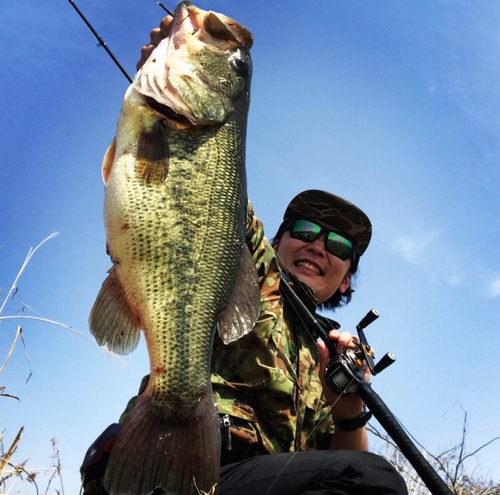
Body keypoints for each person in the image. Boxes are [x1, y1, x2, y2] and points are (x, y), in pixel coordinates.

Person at [80, 17, 407, 495]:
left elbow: (347, 468)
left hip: (276, 484)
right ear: (275, 243)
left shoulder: (325, 357)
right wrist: (178, 66)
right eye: (306, 231)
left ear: (346, 282)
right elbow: (205, 187)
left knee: (369, 479)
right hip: (189, 463)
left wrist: (348, 401)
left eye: (338, 247)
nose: (318, 244)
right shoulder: (246, 257)